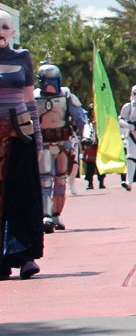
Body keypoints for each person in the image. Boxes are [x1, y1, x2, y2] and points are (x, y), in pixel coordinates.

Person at [0, 10, 44, 279]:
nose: (0, 32)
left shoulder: (22, 58)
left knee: (23, 197)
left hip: (20, 136)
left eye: (4, 26)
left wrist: (38, 139)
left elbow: (30, 101)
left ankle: (25, 256)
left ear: (12, 31)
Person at [34, 63, 87, 232]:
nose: (50, 85)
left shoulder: (66, 95)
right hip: (44, 143)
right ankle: (46, 215)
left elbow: (81, 118)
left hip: (63, 144)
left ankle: (56, 213)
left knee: (60, 179)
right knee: (45, 179)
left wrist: (87, 135)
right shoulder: (34, 97)